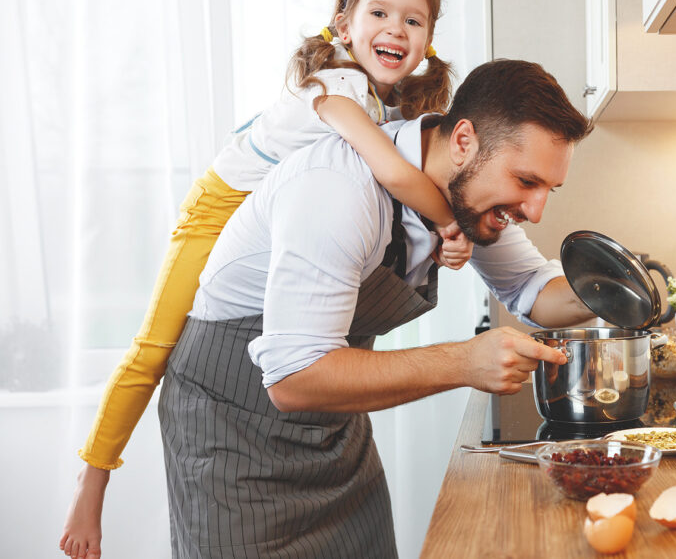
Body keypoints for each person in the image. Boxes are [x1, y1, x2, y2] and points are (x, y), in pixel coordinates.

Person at [59, 0, 467, 557]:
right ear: (343, 27)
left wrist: (436, 245)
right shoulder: (337, 85)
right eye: (379, 12)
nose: (395, 28)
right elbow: (397, 173)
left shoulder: (386, 105)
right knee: (155, 347)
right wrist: (452, 224)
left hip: (270, 218)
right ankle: (92, 479)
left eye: (412, 19)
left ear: (426, 42)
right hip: (220, 205)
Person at [158, 57, 594, 557]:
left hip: (334, 431)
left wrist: (618, 289)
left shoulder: (468, 195)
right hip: (233, 439)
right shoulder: (338, 188)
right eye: (526, 182)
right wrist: (463, 361)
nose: (535, 212)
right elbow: (294, 377)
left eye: (547, 190)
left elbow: (533, 289)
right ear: (464, 141)